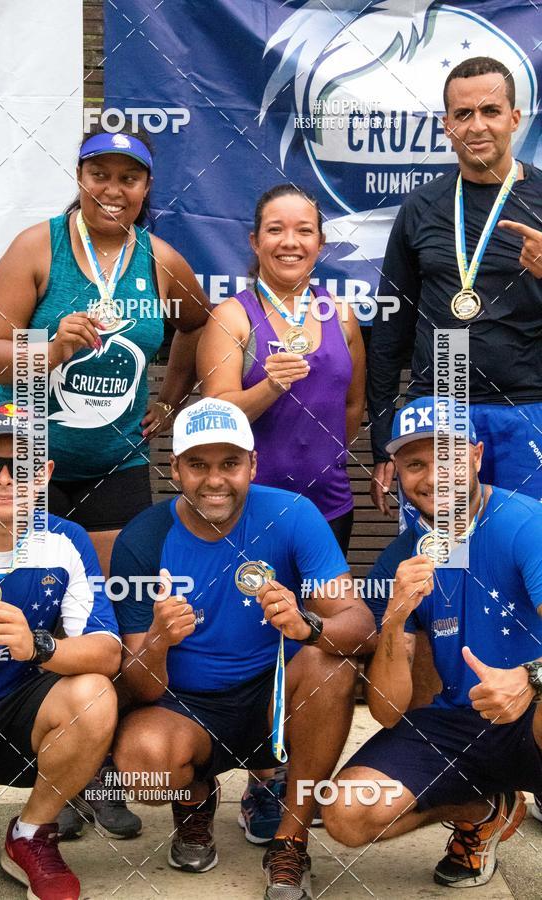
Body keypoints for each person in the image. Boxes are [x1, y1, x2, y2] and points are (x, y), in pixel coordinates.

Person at [110, 398, 376, 900]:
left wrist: (308, 624)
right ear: (176, 469)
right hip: (185, 706)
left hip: (272, 694)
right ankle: (194, 801)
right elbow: (138, 685)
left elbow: (361, 626)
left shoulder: (294, 514)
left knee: (330, 666)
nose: (214, 480)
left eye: (230, 463)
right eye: (198, 464)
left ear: (253, 464)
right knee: (145, 773)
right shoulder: (142, 539)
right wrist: (161, 640)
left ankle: (290, 841)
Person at [323, 396, 542, 889]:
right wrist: (397, 617)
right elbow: (386, 710)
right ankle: (485, 810)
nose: (433, 476)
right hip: (458, 723)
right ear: (397, 472)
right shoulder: (400, 558)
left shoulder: (527, 523)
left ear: (477, 457)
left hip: (532, 712)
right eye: (416, 464)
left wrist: (530, 678)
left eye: (447, 457)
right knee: (347, 813)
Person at [0, 126, 210, 576]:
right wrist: (52, 348)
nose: (112, 190)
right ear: (79, 176)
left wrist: (169, 401)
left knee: (110, 602)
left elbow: (197, 324)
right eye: (99, 174)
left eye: (128, 178)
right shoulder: (38, 247)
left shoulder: (160, 260)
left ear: (146, 186)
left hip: (113, 465)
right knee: (22, 599)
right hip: (23, 459)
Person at [0, 404, 122, 899]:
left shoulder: (66, 542)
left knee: (93, 696)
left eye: (20, 466)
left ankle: (29, 834)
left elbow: (107, 652)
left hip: (16, 720)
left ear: (43, 473)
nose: (4, 479)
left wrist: (39, 646)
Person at [368, 57, 542, 521]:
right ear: (447, 125)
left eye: (491, 111)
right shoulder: (421, 206)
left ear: (515, 118)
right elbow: (389, 330)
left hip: (527, 409)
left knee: (529, 556)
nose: (478, 125)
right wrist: (383, 439)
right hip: (438, 409)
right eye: (464, 114)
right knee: (441, 561)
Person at [197, 183, 365, 556]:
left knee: (322, 613)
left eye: (304, 231)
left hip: (330, 505)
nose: (290, 242)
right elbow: (217, 418)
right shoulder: (232, 317)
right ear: (256, 242)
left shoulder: (341, 314)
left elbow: (352, 407)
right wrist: (270, 387)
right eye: (276, 230)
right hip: (250, 509)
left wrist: (321, 459)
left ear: (320, 243)